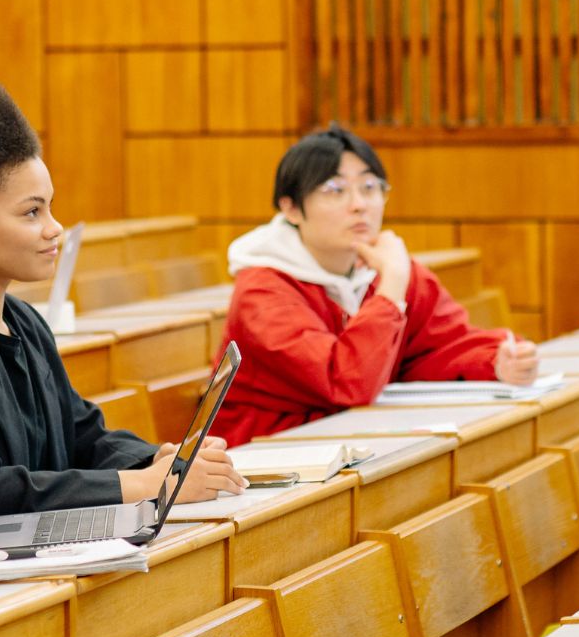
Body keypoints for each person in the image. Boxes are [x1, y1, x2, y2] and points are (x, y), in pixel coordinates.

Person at [0, 77, 243, 546]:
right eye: (31, 212)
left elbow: (84, 436)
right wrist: (142, 485)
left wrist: (161, 461)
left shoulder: (25, 323)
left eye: (50, 208)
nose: (54, 228)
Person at [213, 124, 538, 444]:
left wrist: (495, 360)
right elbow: (346, 382)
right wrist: (391, 287)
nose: (359, 204)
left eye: (370, 187)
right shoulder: (263, 291)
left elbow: (434, 350)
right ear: (292, 209)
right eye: (335, 190)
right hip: (269, 453)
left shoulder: (386, 270)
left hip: (347, 440)